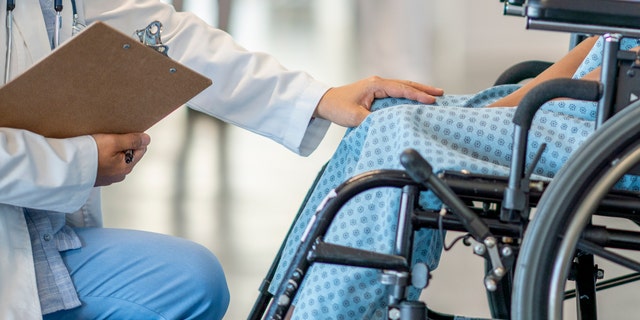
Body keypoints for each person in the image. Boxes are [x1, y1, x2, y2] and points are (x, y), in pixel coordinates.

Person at [0, 1, 444, 319]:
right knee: (190, 286)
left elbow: (159, 36)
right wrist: (77, 163)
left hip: (35, 232)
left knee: (192, 281)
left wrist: (318, 98)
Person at [271, 35, 640, 319]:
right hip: (589, 98)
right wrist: (492, 113)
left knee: (402, 127)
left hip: (609, 125)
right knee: (387, 108)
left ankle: (328, 311)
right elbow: (603, 40)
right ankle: (289, 296)